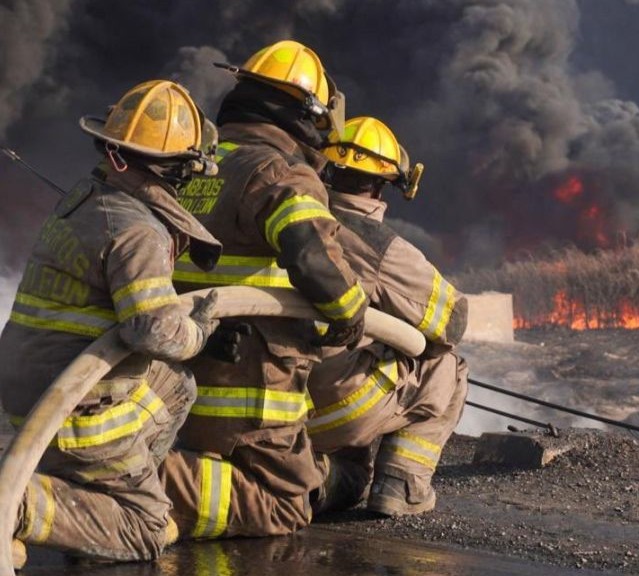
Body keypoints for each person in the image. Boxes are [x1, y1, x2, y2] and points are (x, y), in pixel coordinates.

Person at [0, 80, 222, 564]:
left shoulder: (84, 199)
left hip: (22, 395)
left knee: (175, 383)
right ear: (183, 170)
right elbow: (153, 330)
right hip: (72, 413)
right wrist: (200, 332)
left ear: (114, 150)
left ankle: (94, 501)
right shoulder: (137, 229)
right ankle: (23, 506)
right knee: (147, 530)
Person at [161, 40, 368, 540]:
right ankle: (143, 486)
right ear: (307, 115)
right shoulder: (278, 171)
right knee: (282, 506)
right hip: (248, 387)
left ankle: (137, 475)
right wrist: (350, 313)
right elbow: (312, 255)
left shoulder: (188, 167)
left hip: (173, 381)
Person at [306, 117, 468, 517]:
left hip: (267, 395)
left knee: (351, 474)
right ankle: (402, 485)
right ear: (384, 184)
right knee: (447, 363)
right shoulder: (380, 247)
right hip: (333, 407)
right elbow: (453, 322)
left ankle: (304, 483)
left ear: (324, 170)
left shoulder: (281, 216)